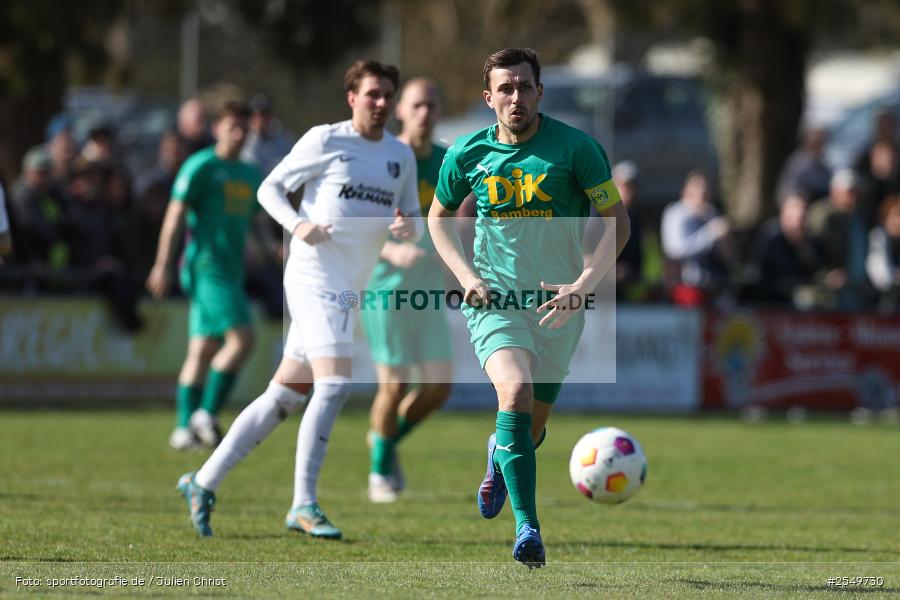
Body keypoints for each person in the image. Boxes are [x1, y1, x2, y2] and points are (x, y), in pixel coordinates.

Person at [175, 60, 419, 539]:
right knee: (334, 386)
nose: (382, 103)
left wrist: (405, 227)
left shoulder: (400, 156)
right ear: (352, 97)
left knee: (284, 396)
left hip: (351, 287)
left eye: (388, 94)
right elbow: (270, 189)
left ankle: (202, 481)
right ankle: (303, 504)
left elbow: (408, 214)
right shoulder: (326, 139)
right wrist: (298, 225)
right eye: (372, 94)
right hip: (312, 275)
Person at [428, 48, 630, 567]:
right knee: (513, 392)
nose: (515, 97)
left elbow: (618, 224)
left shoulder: (577, 148)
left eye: (524, 86)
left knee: (530, 428)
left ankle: (500, 453)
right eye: (506, 88)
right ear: (488, 97)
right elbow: (438, 220)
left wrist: (585, 282)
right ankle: (528, 531)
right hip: (495, 300)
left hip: (560, 306)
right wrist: (467, 276)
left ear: (540, 92)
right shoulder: (467, 152)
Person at [146, 101, 262, 450]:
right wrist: (162, 263)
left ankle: (183, 429)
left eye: (245, 128)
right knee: (243, 340)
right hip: (205, 268)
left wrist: (271, 248)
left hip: (231, 270)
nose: (239, 135)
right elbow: (175, 215)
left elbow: (255, 223)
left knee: (203, 348)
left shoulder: (249, 173)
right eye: (232, 127)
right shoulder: (201, 167)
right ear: (217, 129)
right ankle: (206, 413)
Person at [360, 78, 453, 503]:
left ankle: (384, 440)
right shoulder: (383, 159)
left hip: (429, 290)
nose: (424, 113)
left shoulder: (448, 160)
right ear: (400, 110)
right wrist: (390, 251)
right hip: (386, 288)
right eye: (416, 105)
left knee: (438, 388)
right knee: (394, 385)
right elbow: (353, 223)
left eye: (432, 105)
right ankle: (380, 474)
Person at [661, 170, 732, 304]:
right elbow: (676, 250)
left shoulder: (710, 214)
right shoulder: (675, 214)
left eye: (706, 195)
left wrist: (724, 243)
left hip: (714, 286)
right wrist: (710, 233)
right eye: (699, 194)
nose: (702, 199)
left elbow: (727, 257)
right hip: (684, 288)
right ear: (686, 192)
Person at [747, 192, 821, 306]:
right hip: (769, 304)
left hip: (795, 304)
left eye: (803, 216)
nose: (800, 220)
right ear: (784, 214)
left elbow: (811, 272)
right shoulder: (770, 237)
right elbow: (759, 273)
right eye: (797, 215)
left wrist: (801, 246)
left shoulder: (808, 241)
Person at [240, 94, 294, 177]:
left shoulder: (283, 137)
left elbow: (292, 163)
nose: (260, 119)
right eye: (255, 115)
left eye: (264, 114)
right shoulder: (241, 137)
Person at [865, 195, 900, 307]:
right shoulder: (878, 237)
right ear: (885, 218)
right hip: (876, 301)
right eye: (897, 215)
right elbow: (880, 275)